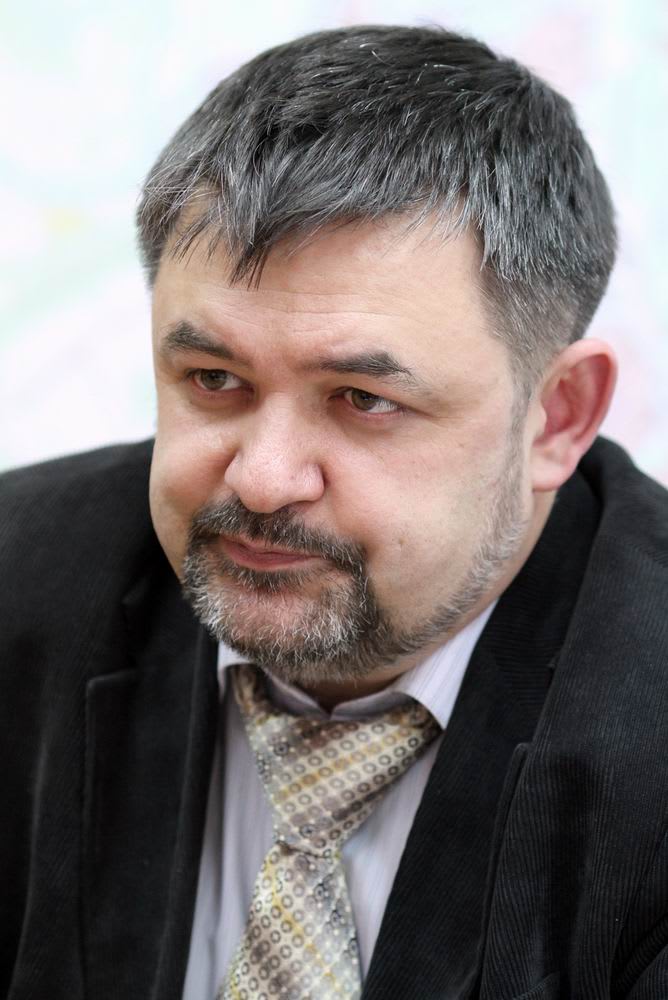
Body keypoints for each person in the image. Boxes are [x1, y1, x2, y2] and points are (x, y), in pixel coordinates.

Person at [1, 22, 667, 1000]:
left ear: (555, 417)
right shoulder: (18, 587)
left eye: (363, 399)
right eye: (214, 379)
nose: (264, 480)